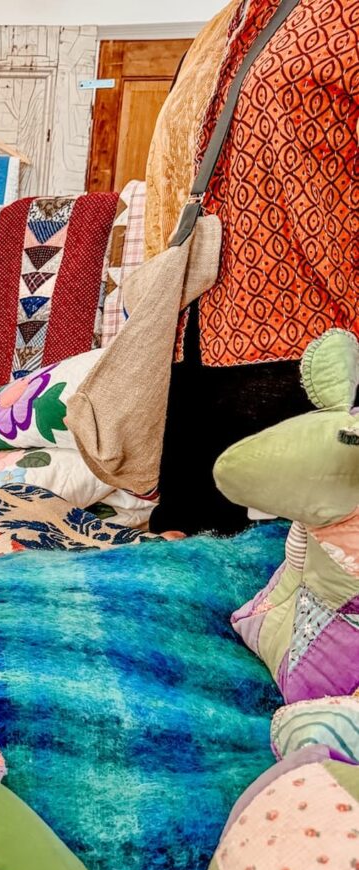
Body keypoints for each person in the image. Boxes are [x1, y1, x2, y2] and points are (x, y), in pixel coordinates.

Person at [146, 0, 358, 535]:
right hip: (206, 327)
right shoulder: (230, 23)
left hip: (310, 337)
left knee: (296, 568)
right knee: (191, 550)